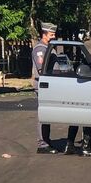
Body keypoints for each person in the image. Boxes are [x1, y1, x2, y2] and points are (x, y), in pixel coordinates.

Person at [32, 22, 59, 154]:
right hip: (43, 85)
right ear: (44, 34)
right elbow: (41, 68)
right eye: (51, 34)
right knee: (43, 115)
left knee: (47, 114)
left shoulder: (49, 47)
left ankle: (46, 140)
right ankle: (42, 144)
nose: (54, 36)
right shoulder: (40, 49)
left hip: (50, 84)